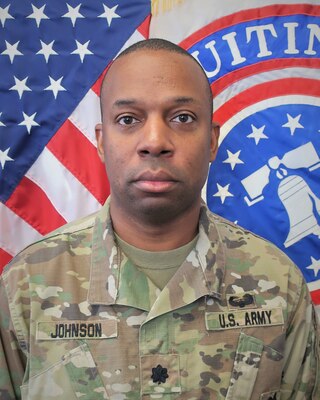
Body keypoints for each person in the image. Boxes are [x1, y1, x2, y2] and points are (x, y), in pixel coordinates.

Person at [0, 39, 319, 400]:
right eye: (128, 119)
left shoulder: (280, 283)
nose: (154, 141)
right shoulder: (24, 287)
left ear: (212, 141)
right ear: (102, 143)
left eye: (182, 118)